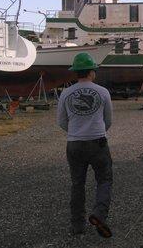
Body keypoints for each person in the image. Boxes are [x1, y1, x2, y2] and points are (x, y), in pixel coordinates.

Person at [57, 53, 113, 238]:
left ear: (76, 72)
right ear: (91, 72)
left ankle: (77, 226)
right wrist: (96, 131)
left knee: (77, 184)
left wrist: (75, 132)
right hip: (98, 142)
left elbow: (61, 121)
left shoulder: (66, 93)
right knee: (104, 180)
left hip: (74, 144)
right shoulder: (103, 92)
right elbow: (108, 120)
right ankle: (99, 215)